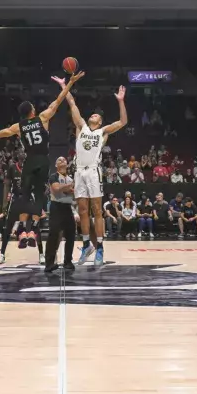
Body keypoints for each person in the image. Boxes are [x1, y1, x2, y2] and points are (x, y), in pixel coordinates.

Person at [0, 72, 84, 253]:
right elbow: (59, 100)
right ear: (32, 111)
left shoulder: (17, 127)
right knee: (40, 195)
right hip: (43, 160)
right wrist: (69, 83)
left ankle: (21, 229)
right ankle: (34, 226)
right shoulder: (42, 118)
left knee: (23, 196)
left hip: (29, 161)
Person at [63, 84, 127, 265]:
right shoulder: (81, 126)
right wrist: (64, 86)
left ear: (99, 122)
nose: (93, 115)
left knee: (97, 211)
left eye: (96, 115)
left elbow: (122, 122)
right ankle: (86, 246)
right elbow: (72, 103)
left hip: (93, 171)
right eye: (92, 114)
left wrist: (121, 102)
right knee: (83, 211)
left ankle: (99, 248)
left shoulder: (102, 131)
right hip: (79, 171)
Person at [44, 157, 77, 273]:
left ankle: (68, 261)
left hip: (67, 207)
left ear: (67, 164)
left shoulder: (70, 178)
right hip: (56, 207)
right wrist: (68, 187)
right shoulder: (54, 176)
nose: (62, 161)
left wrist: (67, 189)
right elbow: (56, 189)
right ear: (56, 165)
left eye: (64, 160)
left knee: (71, 233)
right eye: (59, 160)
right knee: (53, 234)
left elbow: (73, 193)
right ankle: (49, 263)